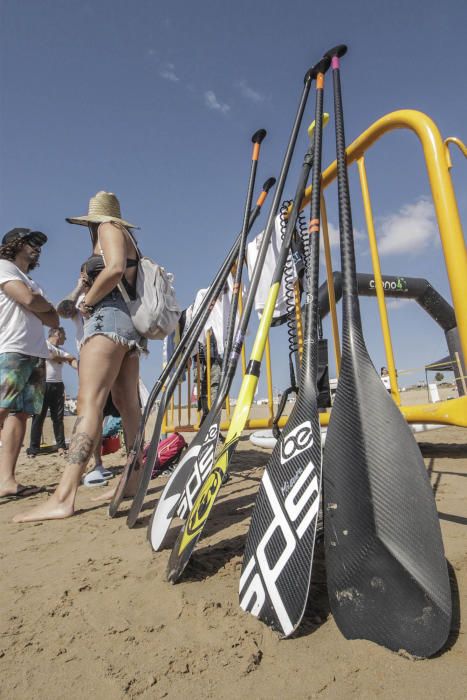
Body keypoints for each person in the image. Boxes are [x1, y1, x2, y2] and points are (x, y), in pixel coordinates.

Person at [14, 191, 143, 521]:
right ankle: (134, 480)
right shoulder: (122, 238)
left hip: (107, 319)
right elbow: (111, 274)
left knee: (89, 403)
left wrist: (88, 303)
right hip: (127, 325)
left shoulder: (108, 229)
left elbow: (113, 270)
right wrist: (79, 294)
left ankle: (63, 496)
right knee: (128, 404)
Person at [0, 228, 59, 499]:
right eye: (32, 242)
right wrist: (39, 304)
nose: (38, 248)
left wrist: (40, 304)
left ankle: (7, 481)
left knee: (21, 415)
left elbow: (54, 320)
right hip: (11, 349)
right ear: (15, 244)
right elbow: (27, 299)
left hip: (36, 354)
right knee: (1, 410)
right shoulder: (4, 268)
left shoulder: (32, 281)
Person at [56, 276, 115, 486]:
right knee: (91, 411)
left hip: (112, 354)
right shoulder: (80, 297)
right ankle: (96, 463)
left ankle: (130, 464)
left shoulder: (109, 290)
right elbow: (62, 310)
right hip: (87, 357)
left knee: (120, 409)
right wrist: (79, 286)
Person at [27, 326, 78, 457]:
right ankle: (33, 449)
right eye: (64, 336)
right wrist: (64, 358)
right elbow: (50, 356)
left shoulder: (62, 350)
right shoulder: (43, 344)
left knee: (58, 418)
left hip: (58, 385)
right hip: (42, 384)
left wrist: (78, 367)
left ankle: (61, 447)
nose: (66, 339)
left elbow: (71, 359)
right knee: (38, 417)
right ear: (57, 334)